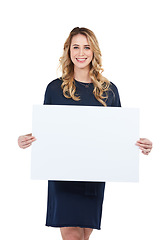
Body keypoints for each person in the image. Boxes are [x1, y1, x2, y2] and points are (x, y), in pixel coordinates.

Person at [18, 27, 152, 240]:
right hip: (62, 175)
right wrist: (25, 139)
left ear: (94, 51)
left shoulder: (108, 90)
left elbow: (119, 135)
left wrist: (141, 144)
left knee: (83, 236)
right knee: (72, 235)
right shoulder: (54, 89)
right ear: (68, 51)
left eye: (86, 47)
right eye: (76, 47)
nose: (81, 53)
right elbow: (47, 131)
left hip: (93, 175)